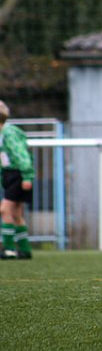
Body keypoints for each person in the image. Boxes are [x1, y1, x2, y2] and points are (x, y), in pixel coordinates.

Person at [0, 101, 35, 260]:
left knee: (5, 210)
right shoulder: (2, 133)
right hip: (11, 175)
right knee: (15, 213)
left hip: (18, 175)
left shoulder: (8, 133)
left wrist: (27, 176)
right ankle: (25, 249)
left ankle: (9, 249)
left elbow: (22, 155)